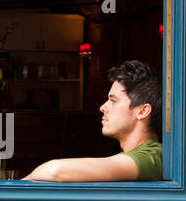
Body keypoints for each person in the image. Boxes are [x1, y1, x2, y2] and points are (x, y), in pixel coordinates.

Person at [24, 59, 162, 181]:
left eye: (113, 100)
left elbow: (55, 171)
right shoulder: (135, 156)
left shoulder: (153, 156)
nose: (103, 107)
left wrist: (21, 183)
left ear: (142, 111)